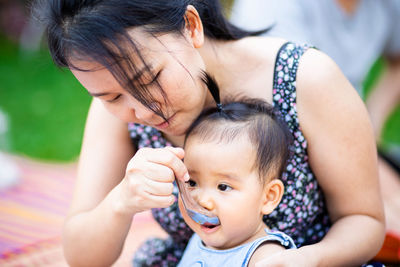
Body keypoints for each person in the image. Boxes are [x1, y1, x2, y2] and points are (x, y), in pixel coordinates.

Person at [33, 0, 385, 266]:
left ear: (191, 26)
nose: (142, 112)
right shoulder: (118, 115)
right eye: (110, 96)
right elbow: (81, 255)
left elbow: (364, 222)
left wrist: (299, 261)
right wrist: (120, 202)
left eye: (150, 79)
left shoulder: (304, 79)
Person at [230, 0, 400, 240]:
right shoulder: (273, 7)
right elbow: (280, 103)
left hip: (350, 135)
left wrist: (372, 122)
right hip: (284, 141)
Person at [176, 85, 297, 266]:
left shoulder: (266, 257)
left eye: (223, 186)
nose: (202, 201)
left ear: (268, 197)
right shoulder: (200, 239)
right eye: (192, 182)